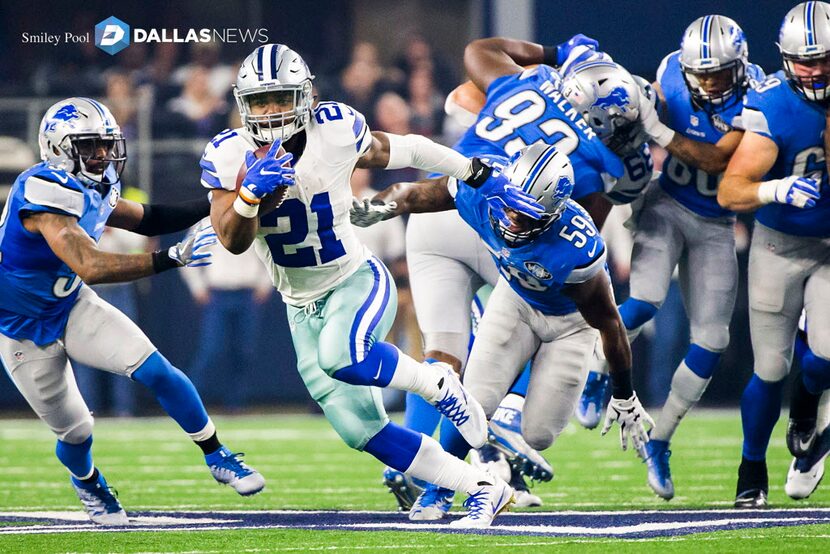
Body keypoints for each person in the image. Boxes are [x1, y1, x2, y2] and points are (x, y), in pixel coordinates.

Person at [201, 43, 546, 528]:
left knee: (342, 355)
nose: (272, 111)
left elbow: (405, 148)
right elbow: (231, 239)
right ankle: (483, 486)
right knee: (361, 430)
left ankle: (438, 383)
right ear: (244, 104)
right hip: (300, 304)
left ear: (304, 96)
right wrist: (248, 197)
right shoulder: (228, 153)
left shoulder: (335, 130)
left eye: (281, 98)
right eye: (261, 102)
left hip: (354, 279)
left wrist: (472, 170)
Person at [381, 34, 654, 514]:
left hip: (479, 221)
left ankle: (431, 454)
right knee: (478, 381)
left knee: (449, 359)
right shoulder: (589, 167)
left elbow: (472, 73)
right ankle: (464, 457)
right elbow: (450, 190)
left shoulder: (515, 96)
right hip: (488, 222)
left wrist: (384, 200)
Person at [0, 98, 264, 525]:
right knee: (76, 432)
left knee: (157, 370)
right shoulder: (44, 192)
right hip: (23, 330)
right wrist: (169, 259)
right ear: (58, 147)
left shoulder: (95, 184)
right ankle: (87, 482)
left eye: (106, 144)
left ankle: (218, 455)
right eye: (90, 146)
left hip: (70, 306)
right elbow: (90, 265)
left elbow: (149, 218)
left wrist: (223, 198)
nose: (102, 155)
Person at [578, 15, 764, 500]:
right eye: (699, 72)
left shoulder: (757, 95)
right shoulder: (668, 75)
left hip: (715, 224)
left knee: (712, 340)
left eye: (718, 73)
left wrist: (657, 129)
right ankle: (599, 375)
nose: (706, 82)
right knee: (644, 300)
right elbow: (633, 126)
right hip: (665, 205)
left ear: (739, 67)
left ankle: (659, 441)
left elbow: (720, 157)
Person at [717, 1, 830, 508]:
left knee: (825, 359)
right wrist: (776, 189)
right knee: (769, 367)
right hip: (777, 246)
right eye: (806, 61)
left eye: (826, 58)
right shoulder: (774, 104)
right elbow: (731, 190)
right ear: (784, 59)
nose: (817, 70)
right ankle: (751, 468)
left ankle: (806, 412)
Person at [181, 217, 273, 410]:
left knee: (244, 351)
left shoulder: (255, 216)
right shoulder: (206, 221)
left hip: (247, 293)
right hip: (218, 293)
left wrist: (265, 284)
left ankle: (235, 404)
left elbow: (271, 252)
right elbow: (187, 254)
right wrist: (198, 287)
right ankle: (188, 401)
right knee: (211, 350)